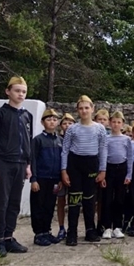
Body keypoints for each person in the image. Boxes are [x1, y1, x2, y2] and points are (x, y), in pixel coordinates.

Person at [0, 76, 33, 256]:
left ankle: (8, 237)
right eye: (17, 90)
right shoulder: (0, 114)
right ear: (8, 91)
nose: (20, 94)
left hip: (21, 164)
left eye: (23, 91)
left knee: (14, 203)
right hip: (3, 163)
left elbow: (28, 141)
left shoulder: (26, 115)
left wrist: (28, 165)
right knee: (1, 202)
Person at [61, 95, 107, 246]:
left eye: (87, 108)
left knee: (90, 199)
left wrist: (102, 170)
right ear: (77, 110)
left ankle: (90, 231)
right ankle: (72, 232)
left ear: (92, 109)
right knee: (74, 200)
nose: (84, 110)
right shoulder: (72, 129)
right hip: (75, 165)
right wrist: (64, 170)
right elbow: (65, 150)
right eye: (81, 108)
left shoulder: (100, 128)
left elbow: (103, 149)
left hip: (92, 164)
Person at [30, 109, 62, 246]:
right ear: (43, 122)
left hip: (54, 179)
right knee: (38, 205)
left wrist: (60, 178)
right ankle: (39, 233)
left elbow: (63, 160)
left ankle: (47, 231)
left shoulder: (60, 140)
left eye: (55, 119)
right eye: (49, 119)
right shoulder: (38, 140)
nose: (52, 122)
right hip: (41, 178)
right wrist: (34, 179)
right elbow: (33, 160)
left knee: (49, 206)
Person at [101, 111, 132, 239]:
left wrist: (129, 174)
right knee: (107, 199)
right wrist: (102, 172)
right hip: (109, 169)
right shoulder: (106, 138)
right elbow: (102, 155)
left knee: (120, 199)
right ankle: (107, 227)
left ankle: (117, 227)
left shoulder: (127, 139)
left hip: (122, 169)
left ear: (122, 124)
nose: (116, 124)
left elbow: (130, 157)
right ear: (109, 123)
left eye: (118, 122)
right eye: (113, 122)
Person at [56, 113, 75, 242]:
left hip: (75, 174)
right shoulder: (57, 140)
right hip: (60, 175)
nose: (67, 126)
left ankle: (72, 228)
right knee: (61, 201)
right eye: (65, 123)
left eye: (70, 123)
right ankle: (61, 227)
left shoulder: (77, 139)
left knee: (74, 202)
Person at [93, 109, 110, 235]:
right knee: (91, 199)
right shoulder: (92, 132)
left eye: (104, 120)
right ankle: (91, 223)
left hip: (105, 170)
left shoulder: (109, 136)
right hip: (92, 168)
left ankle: (100, 223)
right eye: (100, 119)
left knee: (102, 200)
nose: (102, 122)